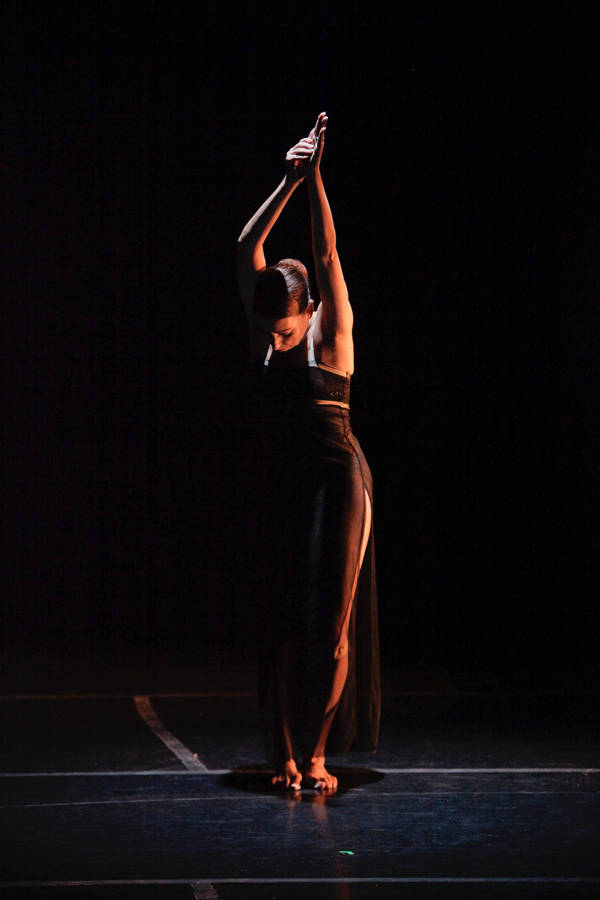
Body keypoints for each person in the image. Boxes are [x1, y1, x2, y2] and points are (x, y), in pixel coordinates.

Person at [237, 112, 380, 792]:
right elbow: (245, 244)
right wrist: (286, 180)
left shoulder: (331, 330)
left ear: (308, 310)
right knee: (283, 619)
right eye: (270, 329)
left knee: (329, 623)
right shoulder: (270, 321)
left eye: (286, 327)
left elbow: (324, 254)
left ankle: (318, 755)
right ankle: (283, 755)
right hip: (284, 477)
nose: (277, 338)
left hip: (338, 477)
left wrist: (318, 176)